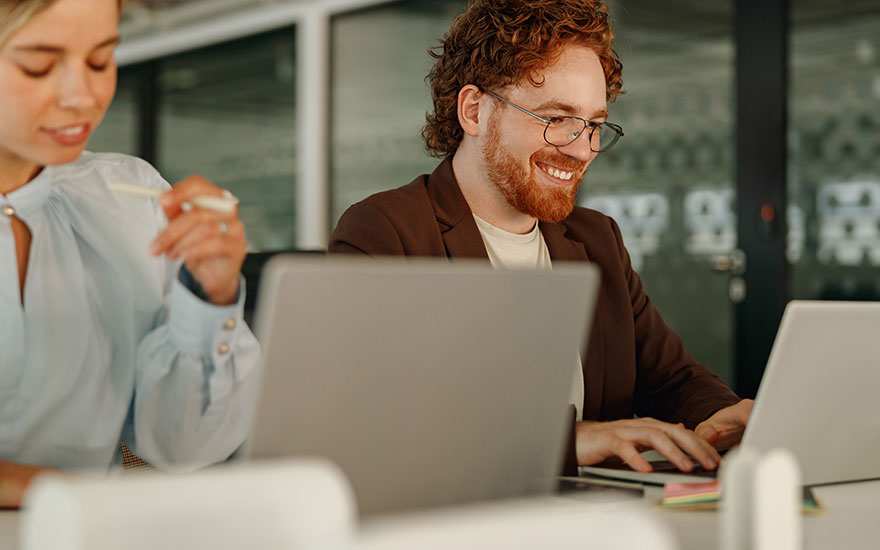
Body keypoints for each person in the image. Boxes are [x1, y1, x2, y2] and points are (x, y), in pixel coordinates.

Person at [330, 0, 753, 474]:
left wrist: (725, 416)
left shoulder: (597, 240)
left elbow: (672, 377)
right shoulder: (388, 233)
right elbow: (378, 418)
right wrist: (563, 440)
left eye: (594, 124)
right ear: (474, 111)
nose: (583, 149)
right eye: (557, 120)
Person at [0, 0, 260, 506]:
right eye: (39, 65)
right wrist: (38, 487)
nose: (84, 97)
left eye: (101, 60)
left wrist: (209, 294)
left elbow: (183, 449)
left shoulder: (129, 198)